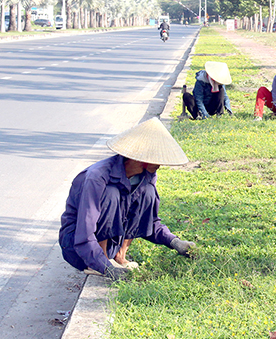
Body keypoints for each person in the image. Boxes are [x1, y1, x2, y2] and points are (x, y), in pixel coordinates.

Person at [59, 118, 195, 280]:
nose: (160, 164)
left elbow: (149, 220)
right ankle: (101, 261)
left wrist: (175, 242)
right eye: (156, 158)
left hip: (113, 242)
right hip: (78, 247)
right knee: (111, 194)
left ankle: (120, 255)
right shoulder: (97, 177)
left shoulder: (147, 176)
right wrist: (106, 268)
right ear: (139, 158)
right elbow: (84, 233)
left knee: (148, 192)